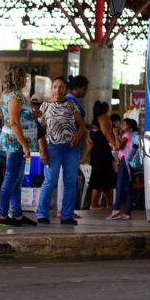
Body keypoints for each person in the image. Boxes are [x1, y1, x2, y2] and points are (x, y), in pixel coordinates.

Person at [35, 77, 87, 225]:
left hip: (72, 149)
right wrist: (42, 151)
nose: (58, 90)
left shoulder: (71, 105)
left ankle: (67, 216)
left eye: (62, 87)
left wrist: (78, 135)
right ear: (51, 89)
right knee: (50, 181)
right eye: (55, 87)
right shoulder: (44, 106)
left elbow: (82, 126)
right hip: (52, 148)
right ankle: (42, 214)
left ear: (66, 89)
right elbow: (39, 130)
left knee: (70, 182)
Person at [0, 66, 39, 226]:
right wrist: (24, 146)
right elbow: (14, 122)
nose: (26, 80)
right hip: (15, 142)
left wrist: (32, 114)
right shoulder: (14, 96)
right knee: (10, 178)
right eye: (24, 77)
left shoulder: (16, 95)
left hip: (18, 142)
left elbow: (20, 116)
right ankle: (1, 215)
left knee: (16, 179)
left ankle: (18, 215)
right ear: (18, 78)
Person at [57, 75, 88, 219]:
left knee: (66, 178)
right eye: (84, 89)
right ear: (77, 88)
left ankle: (65, 208)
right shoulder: (70, 100)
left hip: (70, 142)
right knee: (66, 178)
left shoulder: (71, 100)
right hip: (70, 142)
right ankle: (63, 209)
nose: (85, 92)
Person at [107, 117, 137, 220]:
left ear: (130, 128)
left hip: (125, 161)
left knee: (119, 185)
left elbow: (119, 146)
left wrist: (115, 134)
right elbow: (117, 146)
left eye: (125, 124)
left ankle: (116, 209)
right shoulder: (125, 135)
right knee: (127, 186)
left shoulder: (127, 135)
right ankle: (127, 212)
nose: (122, 125)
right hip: (123, 160)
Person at [87, 101, 115, 210]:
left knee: (105, 178)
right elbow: (107, 135)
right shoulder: (104, 118)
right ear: (106, 109)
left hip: (96, 153)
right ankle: (94, 204)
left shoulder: (94, 121)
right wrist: (116, 144)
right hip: (103, 153)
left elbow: (90, 142)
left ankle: (109, 204)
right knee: (100, 179)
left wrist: (85, 156)